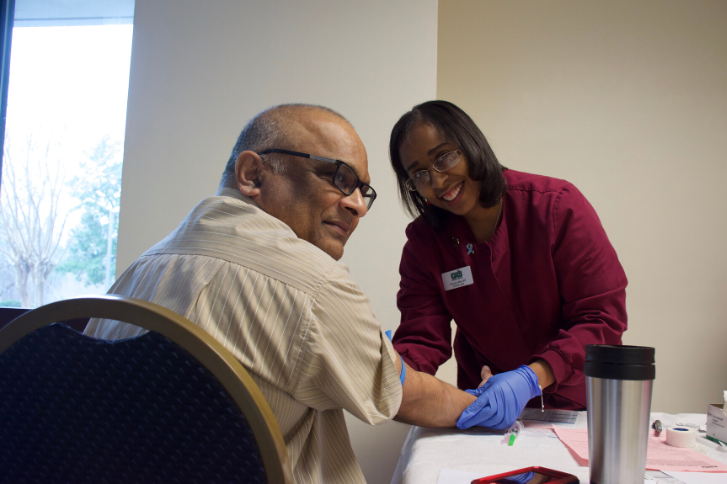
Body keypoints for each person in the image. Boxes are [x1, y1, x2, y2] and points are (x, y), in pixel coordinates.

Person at [85, 104, 476, 484]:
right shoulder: (315, 285)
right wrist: (479, 405)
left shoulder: (138, 272)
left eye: (362, 190)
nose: (358, 206)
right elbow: (404, 394)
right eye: (339, 177)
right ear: (252, 173)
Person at [388, 100, 627, 430]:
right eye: (420, 174)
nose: (439, 181)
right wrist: (392, 371)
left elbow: (601, 318)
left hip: (579, 404)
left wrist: (531, 378)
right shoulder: (425, 242)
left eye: (444, 157)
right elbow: (422, 338)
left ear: (471, 144)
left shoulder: (556, 206)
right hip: (487, 406)